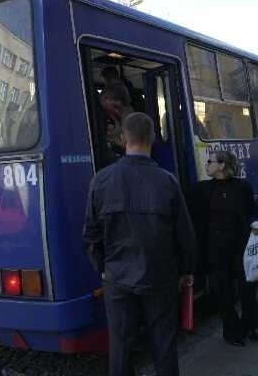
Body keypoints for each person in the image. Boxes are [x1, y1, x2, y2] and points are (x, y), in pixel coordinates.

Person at [83, 112, 196, 376]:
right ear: (153, 139)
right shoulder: (167, 181)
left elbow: (90, 233)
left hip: (117, 277)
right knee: (164, 344)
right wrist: (186, 271)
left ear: (123, 139)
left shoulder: (101, 180)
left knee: (120, 346)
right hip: (160, 276)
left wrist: (103, 267)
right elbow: (184, 234)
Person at [189, 150, 258, 346]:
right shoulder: (201, 189)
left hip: (241, 245)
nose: (207, 165)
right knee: (223, 292)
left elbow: (252, 210)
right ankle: (232, 331)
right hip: (215, 249)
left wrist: (255, 223)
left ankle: (250, 325)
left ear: (222, 165)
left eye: (210, 161)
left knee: (246, 288)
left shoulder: (242, 187)